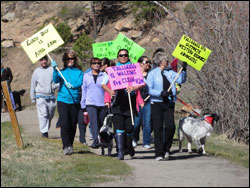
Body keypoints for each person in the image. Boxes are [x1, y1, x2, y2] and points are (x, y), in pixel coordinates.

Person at [102, 49, 144, 160]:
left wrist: (134, 87)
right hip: (118, 102)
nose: (123, 57)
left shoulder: (134, 68)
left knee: (130, 128)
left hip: (130, 101)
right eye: (121, 55)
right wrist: (110, 92)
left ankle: (129, 145)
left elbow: (141, 83)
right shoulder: (113, 70)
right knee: (119, 127)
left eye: (125, 55)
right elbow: (103, 84)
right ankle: (120, 151)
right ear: (118, 57)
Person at [147, 50, 187, 161]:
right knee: (158, 127)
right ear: (160, 61)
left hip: (169, 103)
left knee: (170, 127)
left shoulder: (171, 73)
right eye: (166, 59)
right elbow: (148, 90)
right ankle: (159, 153)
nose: (168, 61)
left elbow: (181, 79)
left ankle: (166, 148)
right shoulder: (152, 74)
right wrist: (160, 93)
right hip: (156, 103)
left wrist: (184, 69)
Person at [52, 50, 83, 155]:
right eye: (68, 59)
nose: (70, 61)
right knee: (64, 123)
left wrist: (73, 86)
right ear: (64, 60)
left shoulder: (79, 72)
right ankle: (66, 146)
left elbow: (79, 83)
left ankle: (70, 143)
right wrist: (54, 70)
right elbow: (55, 80)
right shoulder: (61, 71)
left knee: (72, 124)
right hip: (63, 100)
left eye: (72, 58)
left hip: (74, 101)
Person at [81, 57, 107, 149]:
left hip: (102, 103)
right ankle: (95, 141)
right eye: (94, 63)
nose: (96, 64)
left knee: (100, 123)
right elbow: (84, 90)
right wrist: (83, 103)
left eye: (98, 63)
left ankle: (101, 139)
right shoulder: (86, 76)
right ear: (91, 65)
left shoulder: (104, 76)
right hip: (90, 103)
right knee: (93, 122)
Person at [30, 55, 59, 138]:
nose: (44, 61)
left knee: (50, 115)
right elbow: (33, 84)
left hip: (51, 96)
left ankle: (46, 130)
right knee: (43, 115)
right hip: (40, 96)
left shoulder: (52, 70)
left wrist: (56, 85)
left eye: (45, 59)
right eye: (42, 60)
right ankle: (44, 132)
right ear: (40, 61)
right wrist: (33, 97)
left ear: (47, 60)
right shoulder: (36, 71)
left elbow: (57, 82)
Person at [132, 56, 152, 149]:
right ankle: (134, 138)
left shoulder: (151, 74)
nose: (148, 63)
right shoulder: (134, 74)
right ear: (140, 63)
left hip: (148, 101)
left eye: (149, 62)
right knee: (136, 123)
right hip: (137, 100)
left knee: (147, 122)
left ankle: (146, 142)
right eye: (146, 62)